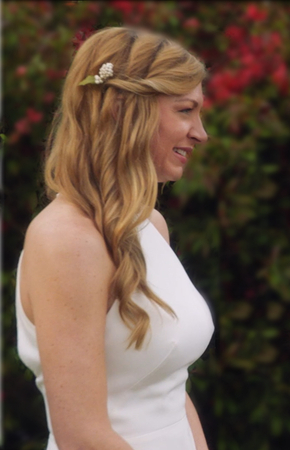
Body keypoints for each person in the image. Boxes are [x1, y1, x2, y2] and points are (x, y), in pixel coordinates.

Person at [15, 26, 214, 449]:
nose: (201, 132)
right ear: (123, 110)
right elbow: (82, 436)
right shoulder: (65, 240)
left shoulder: (150, 226)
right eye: (185, 110)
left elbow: (172, 388)